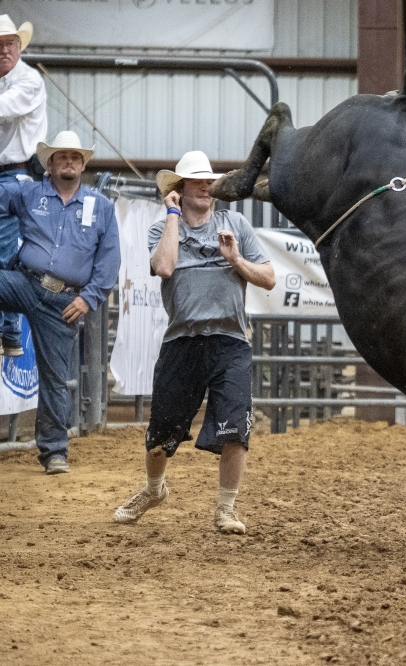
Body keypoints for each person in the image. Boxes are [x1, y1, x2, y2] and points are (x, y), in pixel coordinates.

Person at [113, 150, 275, 534]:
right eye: (196, 181)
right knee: (160, 436)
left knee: (236, 427)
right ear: (179, 189)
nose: (205, 187)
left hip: (230, 340)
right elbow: (165, 266)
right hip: (182, 341)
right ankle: (154, 489)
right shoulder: (162, 229)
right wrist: (172, 216)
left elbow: (268, 278)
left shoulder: (234, 223)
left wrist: (235, 258)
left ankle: (226, 509)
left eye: (209, 181)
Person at [0, 130, 119, 473]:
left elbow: (109, 260)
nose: (69, 160)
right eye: (61, 156)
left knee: (54, 377)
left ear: (82, 165)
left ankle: (54, 452)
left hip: (64, 301)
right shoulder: (28, 192)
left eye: (75, 157)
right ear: (49, 164)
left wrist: (89, 299)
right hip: (25, 281)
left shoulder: (102, 207)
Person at [0, 15, 46, 357]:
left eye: (10, 44)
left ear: (19, 46)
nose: (5, 50)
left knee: (4, 252)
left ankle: (10, 331)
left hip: (16, 175)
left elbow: (5, 107)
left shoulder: (28, 80)